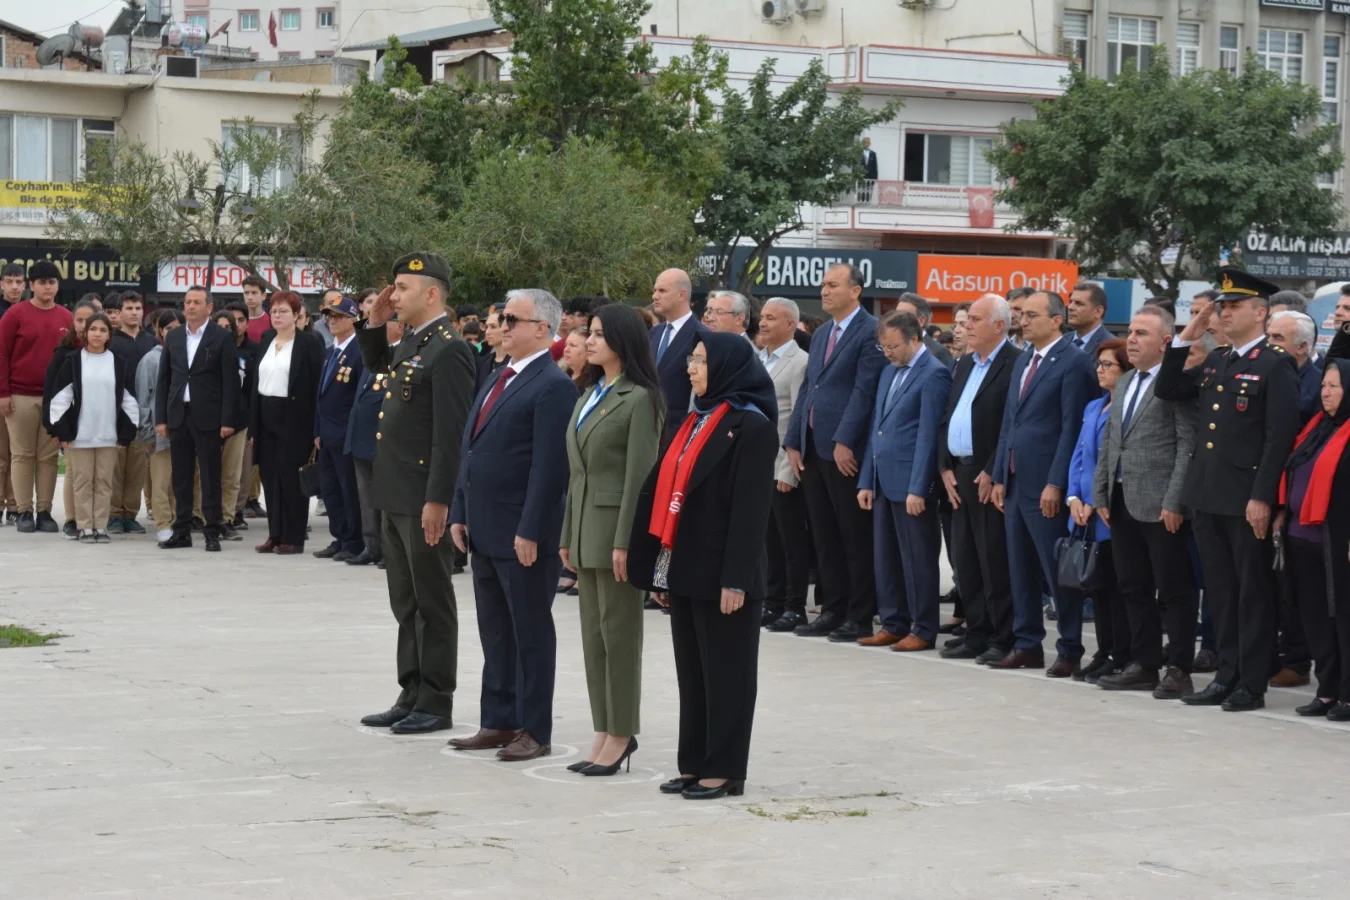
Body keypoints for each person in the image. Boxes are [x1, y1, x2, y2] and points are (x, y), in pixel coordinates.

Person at [627, 332, 778, 799]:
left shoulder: (751, 427)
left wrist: (736, 577)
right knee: (693, 674)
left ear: (729, 367)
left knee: (727, 674)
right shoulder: (696, 418)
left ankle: (725, 769)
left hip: (725, 574)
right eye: (690, 359)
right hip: (685, 566)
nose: (690, 368)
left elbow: (751, 513)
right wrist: (660, 569)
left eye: (699, 361)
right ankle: (693, 763)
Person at [1154, 268, 1302, 712]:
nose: (1225, 312)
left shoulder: (1275, 364)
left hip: (1244, 497)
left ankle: (1251, 683)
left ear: (1261, 313)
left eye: (1233, 306)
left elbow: (1280, 437)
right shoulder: (1219, 359)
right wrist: (1189, 332)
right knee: (1220, 591)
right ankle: (1227, 673)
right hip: (1208, 493)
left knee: (1251, 592)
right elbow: (1170, 387)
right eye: (1223, 306)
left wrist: (1263, 496)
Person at [448, 289, 576, 761]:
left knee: (530, 632)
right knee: (495, 631)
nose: (501, 326)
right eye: (502, 318)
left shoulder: (553, 385)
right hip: (483, 526)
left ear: (542, 329)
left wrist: (531, 529)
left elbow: (549, 469)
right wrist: (460, 509)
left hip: (522, 534)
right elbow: (472, 448)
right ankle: (498, 720)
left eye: (512, 319)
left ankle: (534, 728)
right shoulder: (499, 375)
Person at [358, 254, 476, 737]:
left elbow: (451, 437)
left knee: (432, 601)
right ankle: (411, 691)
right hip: (396, 492)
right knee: (405, 601)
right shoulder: (413, 340)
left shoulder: (449, 350)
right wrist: (374, 323)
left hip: (423, 496)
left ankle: (436, 699)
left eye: (402, 288)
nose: (393, 295)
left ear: (431, 294)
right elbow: (375, 364)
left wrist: (439, 501)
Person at [559, 304, 663, 776]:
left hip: (616, 533)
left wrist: (628, 542)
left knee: (619, 637)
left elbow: (640, 479)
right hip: (584, 529)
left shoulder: (640, 398)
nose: (591, 340)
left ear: (624, 340)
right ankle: (603, 728)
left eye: (600, 334)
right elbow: (577, 474)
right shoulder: (589, 393)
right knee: (594, 639)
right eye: (590, 333)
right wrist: (567, 534)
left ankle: (622, 732)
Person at [1090, 307, 1198, 696]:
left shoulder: (1174, 385)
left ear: (1166, 342)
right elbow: (1110, 441)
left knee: (1174, 589)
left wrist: (1175, 501)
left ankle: (1179, 668)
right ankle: (1145, 663)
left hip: (1160, 503)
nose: (1131, 339)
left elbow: (1187, 445)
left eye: (1141, 333)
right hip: (1121, 501)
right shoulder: (1128, 381)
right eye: (1131, 331)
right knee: (1132, 585)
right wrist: (1100, 491)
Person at [990, 290, 1097, 673]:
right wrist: (1001, 474)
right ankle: (1027, 643)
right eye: (1023, 314)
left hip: (1047, 484)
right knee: (1019, 567)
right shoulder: (1023, 361)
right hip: (1017, 481)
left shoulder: (1074, 363)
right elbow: (1010, 423)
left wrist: (1058, 483)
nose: (1024, 320)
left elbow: (1073, 429)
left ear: (1057, 320)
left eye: (1033, 315)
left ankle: (1070, 648)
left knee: (1057, 572)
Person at [785, 264, 886, 642]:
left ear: (856, 290)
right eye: (823, 284)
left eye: (833, 285)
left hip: (845, 451)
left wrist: (845, 440)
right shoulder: (824, 332)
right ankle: (832, 609)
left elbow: (864, 391)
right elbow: (809, 388)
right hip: (812, 448)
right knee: (824, 536)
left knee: (853, 537)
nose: (825, 291)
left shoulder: (869, 331)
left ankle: (858, 615)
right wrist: (794, 440)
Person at [857, 311, 953, 650]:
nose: (888, 353)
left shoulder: (934, 375)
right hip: (883, 480)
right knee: (886, 558)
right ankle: (893, 621)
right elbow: (876, 428)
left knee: (918, 559)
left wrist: (919, 488)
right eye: (883, 347)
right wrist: (866, 479)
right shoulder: (888, 372)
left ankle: (924, 628)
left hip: (911, 485)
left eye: (894, 346)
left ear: (916, 339)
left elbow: (928, 436)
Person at [938, 294, 1020, 664]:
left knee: (993, 561)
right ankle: (976, 631)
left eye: (974, 319)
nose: (965, 325)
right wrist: (944, 466)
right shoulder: (965, 364)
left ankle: (1002, 636)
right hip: (959, 471)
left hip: (988, 472)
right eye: (966, 319)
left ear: (999, 326)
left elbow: (1010, 425)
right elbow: (949, 415)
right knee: (965, 559)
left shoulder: (1014, 364)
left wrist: (993, 467)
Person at [1277, 359, 1350, 721]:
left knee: (1343, 617)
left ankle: (1348, 693)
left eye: (1335, 386)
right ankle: (1327, 690)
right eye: (1324, 385)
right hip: (1301, 537)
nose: (1326, 392)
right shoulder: (1318, 427)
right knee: (1316, 617)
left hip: (1336, 540)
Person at [1059, 339, 1131, 683]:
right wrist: (1073, 497)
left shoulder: (1124, 410)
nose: (1100, 370)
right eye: (1099, 364)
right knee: (1096, 588)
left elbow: (1110, 461)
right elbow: (1079, 454)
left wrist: (1095, 499)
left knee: (1116, 588)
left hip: (1108, 512)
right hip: (1084, 511)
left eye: (1108, 365)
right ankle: (1103, 651)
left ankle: (1120, 652)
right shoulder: (1093, 407)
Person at [154, 286, 240, 552]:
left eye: (196, 302)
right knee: (180, 476)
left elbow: (230, 382)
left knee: (210, 474)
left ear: (209, 307)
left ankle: (212, 531)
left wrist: (227, 420)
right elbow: (164, 379)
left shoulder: (222, 337)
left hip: (209, 416)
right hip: (179, 415)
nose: (190, 306)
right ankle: (182, 531)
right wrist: (161, 418)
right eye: (187, 302)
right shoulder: (175, 336)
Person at [44, 313, 139, 543]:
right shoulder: (73, 361)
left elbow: (129, 400)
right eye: (93, 329)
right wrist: (63, 432)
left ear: (109, 335)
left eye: (103, 330)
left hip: (108, 435)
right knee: (83, 482)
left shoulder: (118, 363)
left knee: (104, 483)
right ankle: (85, 527)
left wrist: (127, 433)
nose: (98, 334)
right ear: (85, 333)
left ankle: (101, 526)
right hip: (80, 435)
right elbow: (60, 399)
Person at [0, 259, 72, 533]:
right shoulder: (15, 314)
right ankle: (23, 511)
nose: (47, 287)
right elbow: (2, 354)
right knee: (22, 455)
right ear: (32, 285)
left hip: (55, 400)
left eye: (51, 282)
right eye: (41, 282)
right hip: (20, 396)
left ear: (57, 285)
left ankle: (44, 511)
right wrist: (3, 393)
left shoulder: (66, 317)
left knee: (49, 457)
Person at [251, 291, 324, 555]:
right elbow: (255, 383)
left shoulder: (309, 343)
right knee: (270, 477)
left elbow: (317, 386)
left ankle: (294, 537)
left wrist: (317, 427)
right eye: (274, 311)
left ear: (296, 315)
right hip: (265, 413)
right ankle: (275, 533)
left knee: (292, 479)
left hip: (295, 417)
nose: (277, 316)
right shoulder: (267, 339)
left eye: (283, 311)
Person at [757, 297, 812, 632]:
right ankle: (773, 601)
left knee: (791, 541)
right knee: (767, 542)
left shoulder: (800, 362)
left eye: (771, 318)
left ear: (790, 323)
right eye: (762, 317)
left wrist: (788, 471)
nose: (763, 323)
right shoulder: (757, 359)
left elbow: (796, 419)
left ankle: (795, 606)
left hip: (782, 466)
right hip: (757, 466)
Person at [312, 294, 366, 562]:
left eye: (338, 316)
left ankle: (354, 541)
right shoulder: (329, 351)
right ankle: (340, 536)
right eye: (329, 316)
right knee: (330, 489)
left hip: (346, 433)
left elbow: (358, 398)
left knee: (349, 490)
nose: (332, 321)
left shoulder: (359, 352)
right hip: (327, 434)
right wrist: (317, 431)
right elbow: (320, 396)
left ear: (353, 319)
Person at [46, 299, 100, 538]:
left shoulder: (107, 354)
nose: (83, 325)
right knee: (74, 472)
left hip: (99, 421)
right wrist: (58, 427)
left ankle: (94, 519)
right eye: (79, 320)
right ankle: (72, 518)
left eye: (89, 321)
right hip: (72, 423)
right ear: (72, 322)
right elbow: (53, 393)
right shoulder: (63, 353)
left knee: (97, 474)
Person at [343, 289, 389, 567]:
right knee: (366, 498)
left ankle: (387, 549)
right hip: (361, 438)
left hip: (383, 441)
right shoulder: (369, 359)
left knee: (384, 499)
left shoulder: (398, 357)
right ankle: (371, 545)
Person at [106, 291, 156, 535]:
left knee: (137, 468)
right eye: (129, 308)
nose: (134, 312)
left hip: (142, 415)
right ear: (119, 312)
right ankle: (114, 514)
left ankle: (130, 514)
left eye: (138, 307)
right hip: (115, 414)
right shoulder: (110, 341)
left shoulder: (153, 342)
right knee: (116, 468)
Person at [648, 269, 710, 446]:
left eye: (662, 291)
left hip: (679, 434)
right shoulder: (654, 333)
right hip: (648, 432)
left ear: (681, 295)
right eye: (655, 290)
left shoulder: (702, 336)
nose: (654, 296)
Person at [137, 309, 183, 542]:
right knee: (161, 481)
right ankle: (164, 522)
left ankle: (178, 521)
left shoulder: (187, 357)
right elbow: (143, 400)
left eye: (178, 328)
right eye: (169, 329)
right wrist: (147, 431)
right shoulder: (150, 360)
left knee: (180, 481)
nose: (173, 333)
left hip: (183, 431)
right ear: (160, 331)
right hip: (159, 433)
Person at [0, 262, 26, 524]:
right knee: (1, 455)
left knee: (19, 453)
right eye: (10, 281)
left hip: (19, 392)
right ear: (2, 284)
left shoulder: (27, 312)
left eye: (19, 281)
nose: (15, 286)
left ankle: (16, 506)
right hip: (1, 390)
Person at [1267, 310, 1322, 424]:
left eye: (1278, 338)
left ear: (1301, 346)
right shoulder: (1261, 374)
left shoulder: (1320, 386)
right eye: (1267, 336)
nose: (1268, 343)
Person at [893, 293, 954, 367]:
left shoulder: (938, 352)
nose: (896, 320)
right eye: (896, 315)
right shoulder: (891, 348)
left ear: (921, 321)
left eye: (903, 316)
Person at [1066, 282, 1111, 356]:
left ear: (1098, 311)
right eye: (1070, 302)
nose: (1070, 307)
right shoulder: (1061, 341)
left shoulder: (1111, 346)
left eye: (1079, 303)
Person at [477, 308, 509, 389]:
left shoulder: (515, 363)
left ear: (506, 328)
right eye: (487, 327)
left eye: (493, 327)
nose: (487, 332)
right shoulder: (481, 362)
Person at [241, 275, 272, 343]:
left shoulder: (272, 321)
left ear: (263, 296)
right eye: (246, 293)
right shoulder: (236, 321)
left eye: (254, 293)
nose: (249, 297)